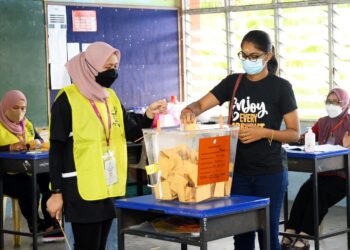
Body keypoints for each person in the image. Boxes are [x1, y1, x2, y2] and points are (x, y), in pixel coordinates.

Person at [180, 30, 300, 250]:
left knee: (268, 235)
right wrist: (190, 110)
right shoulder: (233, 83)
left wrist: (263, 133)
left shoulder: (281, 87)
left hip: (270, 172)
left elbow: (294, 133)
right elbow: (199, 105)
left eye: (254, 56)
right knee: (241, 235)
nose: (248, 60)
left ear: (268, 56)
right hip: (238, 173)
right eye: (243, 55)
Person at [46, 41, 167, 250]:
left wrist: (148, 115)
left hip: (108, 187)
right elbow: (56, 149)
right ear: (90, 66)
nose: (113, 72)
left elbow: (131, 132)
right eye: (108, 67)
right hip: (81, 188)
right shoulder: (67, 99)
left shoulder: (109, 96)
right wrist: (56, 192)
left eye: (115, 67)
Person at [281, 87, 350, 250]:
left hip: (343, 178)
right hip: (323, 173)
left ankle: (305, 236)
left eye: (336, 102)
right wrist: (295, 139)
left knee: (319, 194)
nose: (331, 105)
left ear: (345, 103)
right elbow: (307, 137)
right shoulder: (323, 121)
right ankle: (291, 231)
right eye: (328, 101)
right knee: (305, 190)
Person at [0, 90, 64, 242]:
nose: (20, 112)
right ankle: (35, 225)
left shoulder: (26, 124)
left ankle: (50, 225)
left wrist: (36, 144)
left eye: (23, 108)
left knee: (49, 178)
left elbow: (38, 139)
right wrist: (10, 147)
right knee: (30, 186)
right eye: (15, 108)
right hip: (5, 175)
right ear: (5, 107)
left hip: (27, 168)